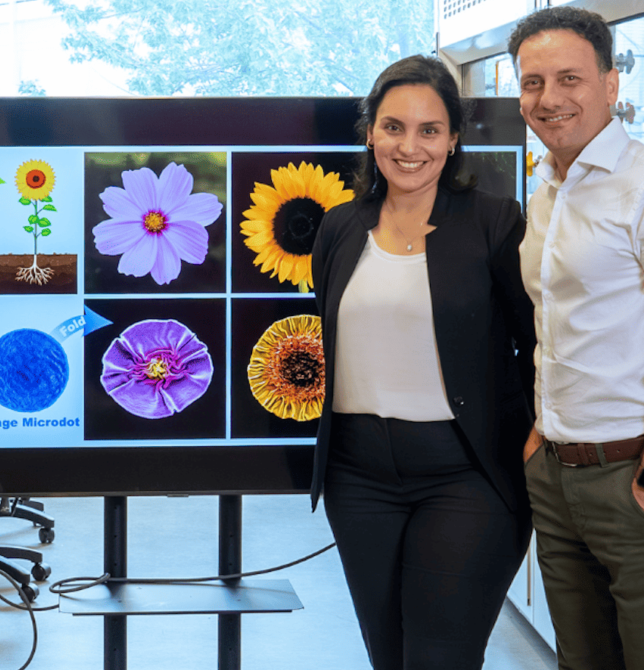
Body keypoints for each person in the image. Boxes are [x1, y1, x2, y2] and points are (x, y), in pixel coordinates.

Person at [309, 55, 535, 669]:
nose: (410, 146)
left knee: (438, 660)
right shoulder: (337, 228)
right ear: (371, 133)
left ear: (453, 139)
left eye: (429, 130)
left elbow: (536, 341)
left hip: (466, 476)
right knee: (389, 657)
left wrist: (540, 433)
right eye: (393, 127)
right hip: (357, 479)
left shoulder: (494, 222)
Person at [508, 7, 644, 669]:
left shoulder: (641, 184)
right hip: (556, 474)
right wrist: (541, 430)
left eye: (570, 78)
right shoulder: (545, 192)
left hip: (632, 476)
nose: (550, 98)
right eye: (533, 82)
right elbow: (551, 323)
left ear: (611, 85)